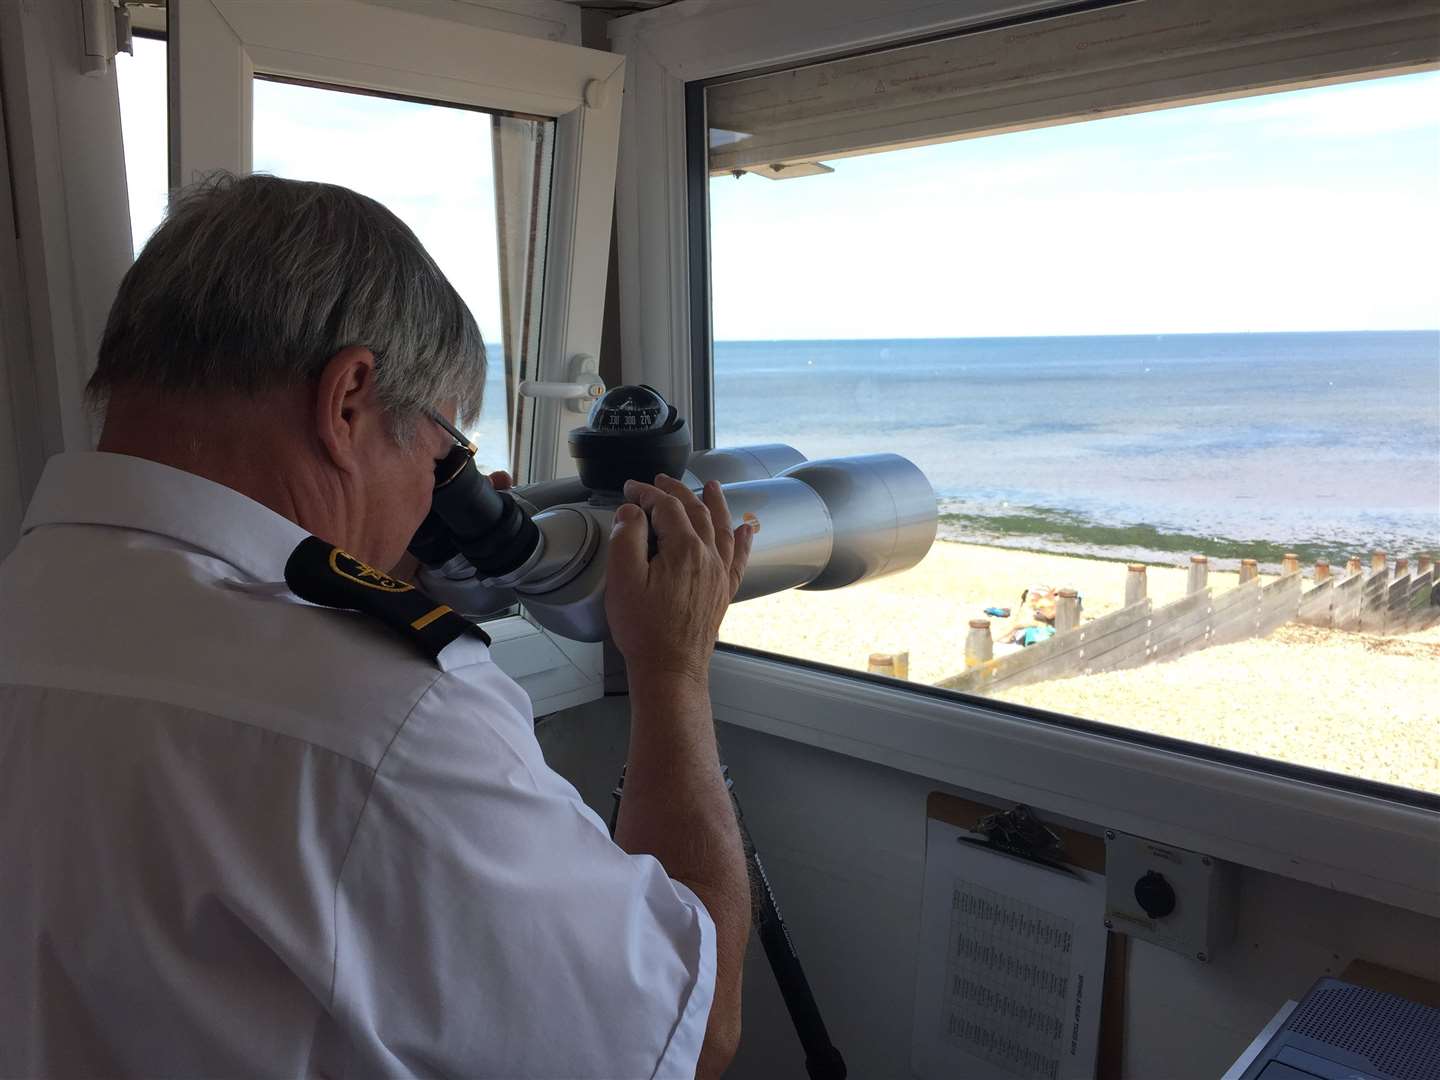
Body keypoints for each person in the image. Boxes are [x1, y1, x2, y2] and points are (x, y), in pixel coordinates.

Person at [0, 175, 753, 1077]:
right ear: (349, 398)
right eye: (441, 454)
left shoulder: (35, 602)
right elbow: (691, 1032)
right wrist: (673, 670)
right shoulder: (389, 722)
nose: (433, 497)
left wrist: (356, 569)